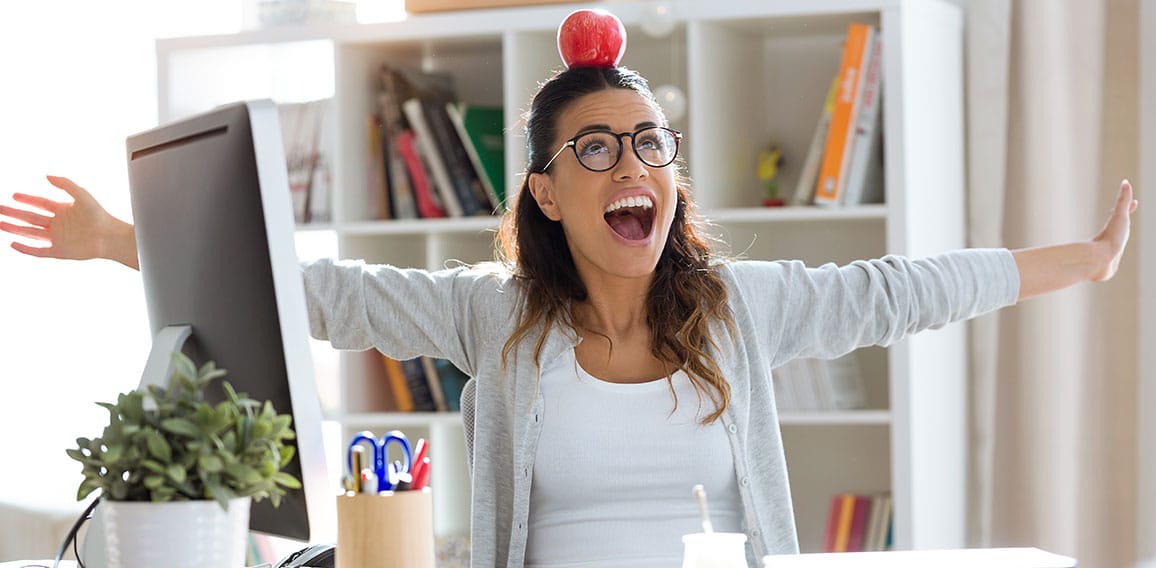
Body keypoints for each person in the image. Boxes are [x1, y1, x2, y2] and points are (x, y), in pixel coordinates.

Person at [0, 64, 1138, 567]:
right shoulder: (494, 319)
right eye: (595, 148)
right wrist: (115, 239)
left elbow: (904, 289)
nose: (630, 163)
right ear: (546, 189)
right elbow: (326, 293)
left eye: (650, 143)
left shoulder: (744, 309)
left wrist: (1078, 264)